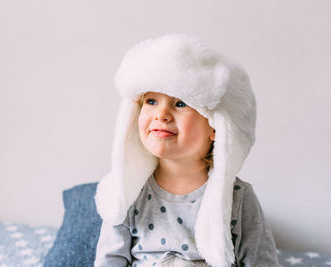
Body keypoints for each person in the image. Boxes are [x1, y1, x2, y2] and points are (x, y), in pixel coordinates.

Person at [93, 33, 280, 267]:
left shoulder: (238, 198)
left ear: (216, 126)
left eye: (180, 103)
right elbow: (109, 261)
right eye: (151, 101)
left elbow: (261, 262)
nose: (161, 114)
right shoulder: (128, 191)